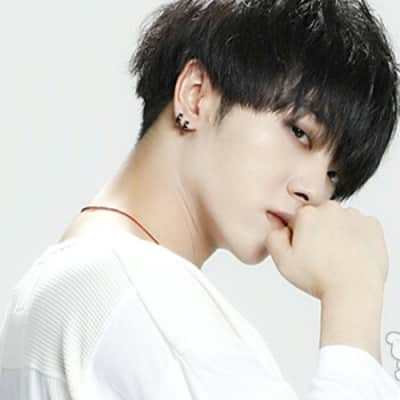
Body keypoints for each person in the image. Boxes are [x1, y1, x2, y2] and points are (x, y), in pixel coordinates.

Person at [0, 0, 399, 398]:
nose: (314, 190)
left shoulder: (70, 279)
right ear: (196, 96)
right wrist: (354, 298)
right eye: (299, 132)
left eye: (334, 175)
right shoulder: (148, 297)